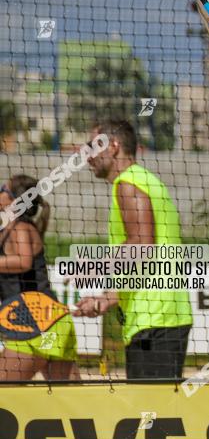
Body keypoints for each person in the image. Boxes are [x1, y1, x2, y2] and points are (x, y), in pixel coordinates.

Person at [72, 120, 192, 379]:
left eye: (92, 147)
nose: (87, 155)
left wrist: (94, 267)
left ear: (113, 147)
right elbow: (152, 265)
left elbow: (141, 246)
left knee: (151, 415)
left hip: (155, 320)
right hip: (158, 315)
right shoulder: (145, 180)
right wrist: (106, 298)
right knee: (154, 414)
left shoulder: (127, 184)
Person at [0, 175, 80, 380]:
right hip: (51, 321)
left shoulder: (20, 227)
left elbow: (24, 261)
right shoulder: (10, 228)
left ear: (15, 200)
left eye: (3, 189)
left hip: (36, 322)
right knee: (72, 402)